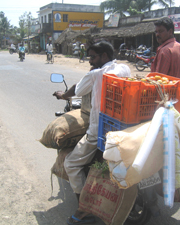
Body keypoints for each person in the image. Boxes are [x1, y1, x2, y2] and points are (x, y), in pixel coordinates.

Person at [53, 41, 131, 224]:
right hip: (123, 125)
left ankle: (84, 210)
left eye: (93, 57)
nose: (90, 61)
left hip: (99, 131)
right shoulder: (124, 69)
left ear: (104, 56)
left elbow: (77, 89)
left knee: (71, 164)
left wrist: (63, 95)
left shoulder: (96, 74)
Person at [151, 17, 180, 115]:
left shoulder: (165, 51)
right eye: (156, 32)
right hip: (177, 102)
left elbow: (159, 82)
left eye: (160, 31)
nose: (157, 34)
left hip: (163, 104)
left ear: (170, 31)